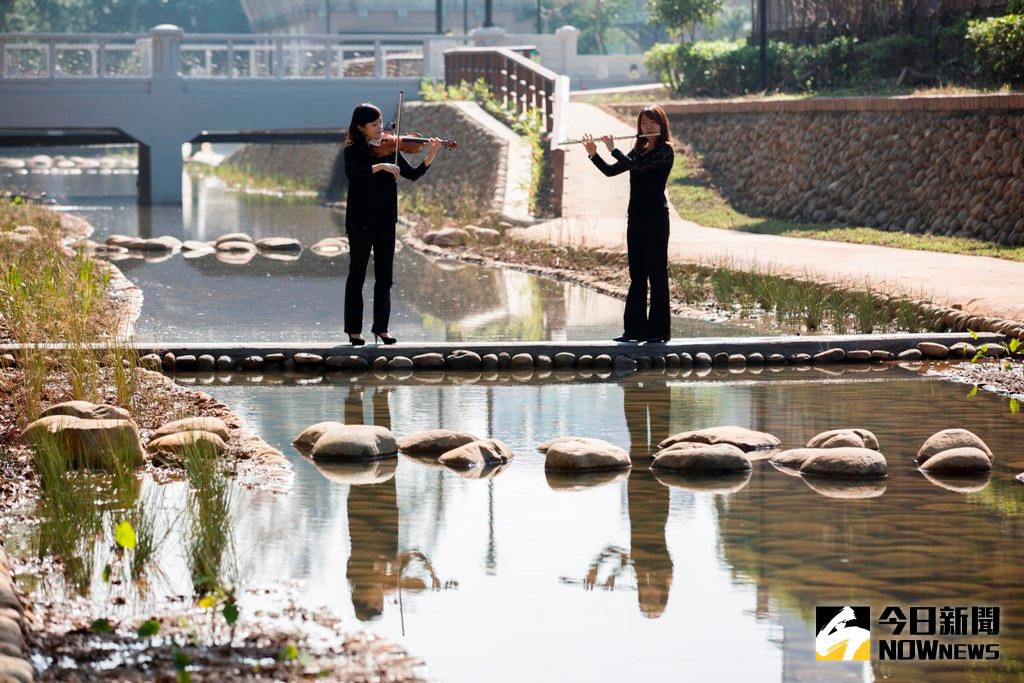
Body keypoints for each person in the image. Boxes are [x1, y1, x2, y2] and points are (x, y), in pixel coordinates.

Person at [343, 103, 442, 345]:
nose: (380, 129)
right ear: (361, 127)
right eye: (374, 125)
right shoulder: (352, 150)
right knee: (357, 275)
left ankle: (381, 328)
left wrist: (433, 152)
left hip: (386, 219)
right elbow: (354, 175)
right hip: (360, 220)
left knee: (385, 277)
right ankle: (354, 331)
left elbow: (414, 174)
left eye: (380, 123)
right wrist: (381, 166)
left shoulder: (391, 147)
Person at [582, 105, 675, 343]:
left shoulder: (665, 152)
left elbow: (641, 170)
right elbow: (612, 171)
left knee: (657, 273)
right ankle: (634, 331)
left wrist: (614, 149)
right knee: (637, 274)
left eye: (652, 123)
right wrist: (594, 153)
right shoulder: (638, 151)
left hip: (656, 217)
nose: (648, 127)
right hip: (635, 216)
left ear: (661, 125)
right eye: (644, 124)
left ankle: (658, 333)